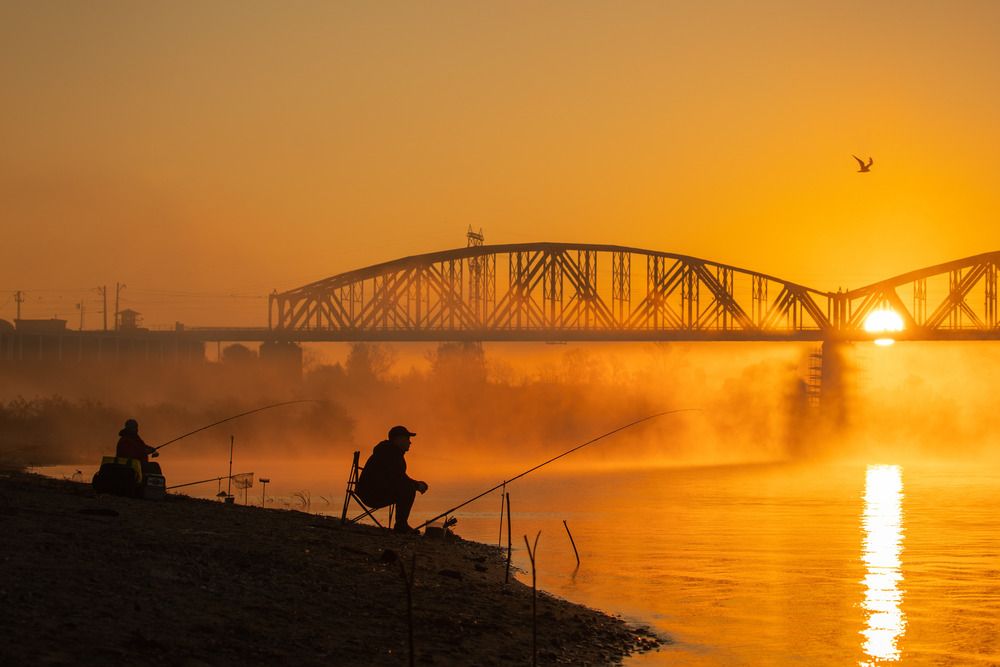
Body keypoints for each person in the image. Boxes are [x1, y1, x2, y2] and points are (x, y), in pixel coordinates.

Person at [356, 425, 429, 533]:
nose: (410, 442)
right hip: (371, 494)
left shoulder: (391, 452)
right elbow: (398, 477)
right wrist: (417, 485)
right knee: (408, 489)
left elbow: (398, 477)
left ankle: (401, 525)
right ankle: (401, 526)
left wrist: (416, 484)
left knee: (408, 487)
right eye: (407, 439)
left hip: (372, 490)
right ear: (398, 439)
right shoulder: (389, 453)